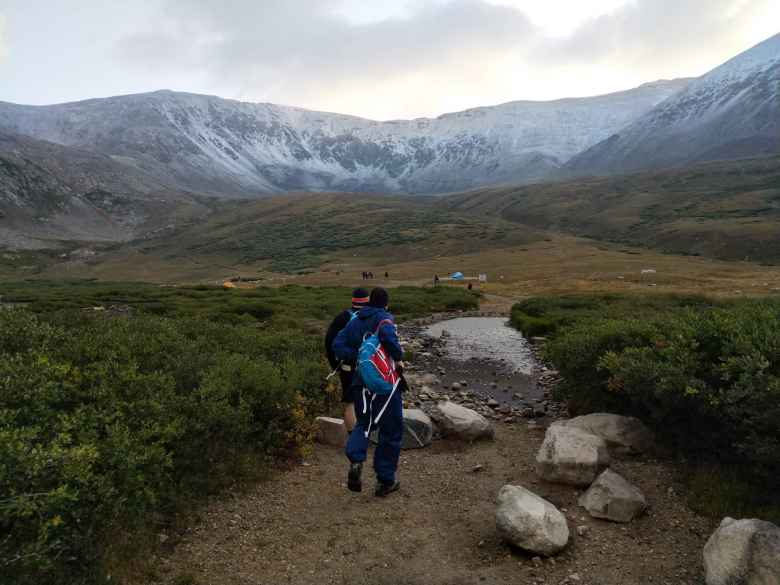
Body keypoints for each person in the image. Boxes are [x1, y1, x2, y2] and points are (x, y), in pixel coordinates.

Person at [332, 287, 404, 497]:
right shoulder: (385, 319)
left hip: (360, 381)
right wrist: (399, 356)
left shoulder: (355, 320)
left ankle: (356, 459)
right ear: (386, 303)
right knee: (390, 431)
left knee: (363, 423)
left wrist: (358, 357)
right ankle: (385, 481)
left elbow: (338, 344)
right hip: (385, 385)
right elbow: (389, 339)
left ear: (369, 302)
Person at [324, 288, 370, 433]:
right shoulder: (374, 317)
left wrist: (335, 366)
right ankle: (368, 433)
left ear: (352, 301)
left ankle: (353, 437)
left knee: (351, 401)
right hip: (370, 366)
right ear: (368, 301)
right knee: (369, 398)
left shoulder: (342, 317)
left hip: (348, 367)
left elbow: (329, 343)